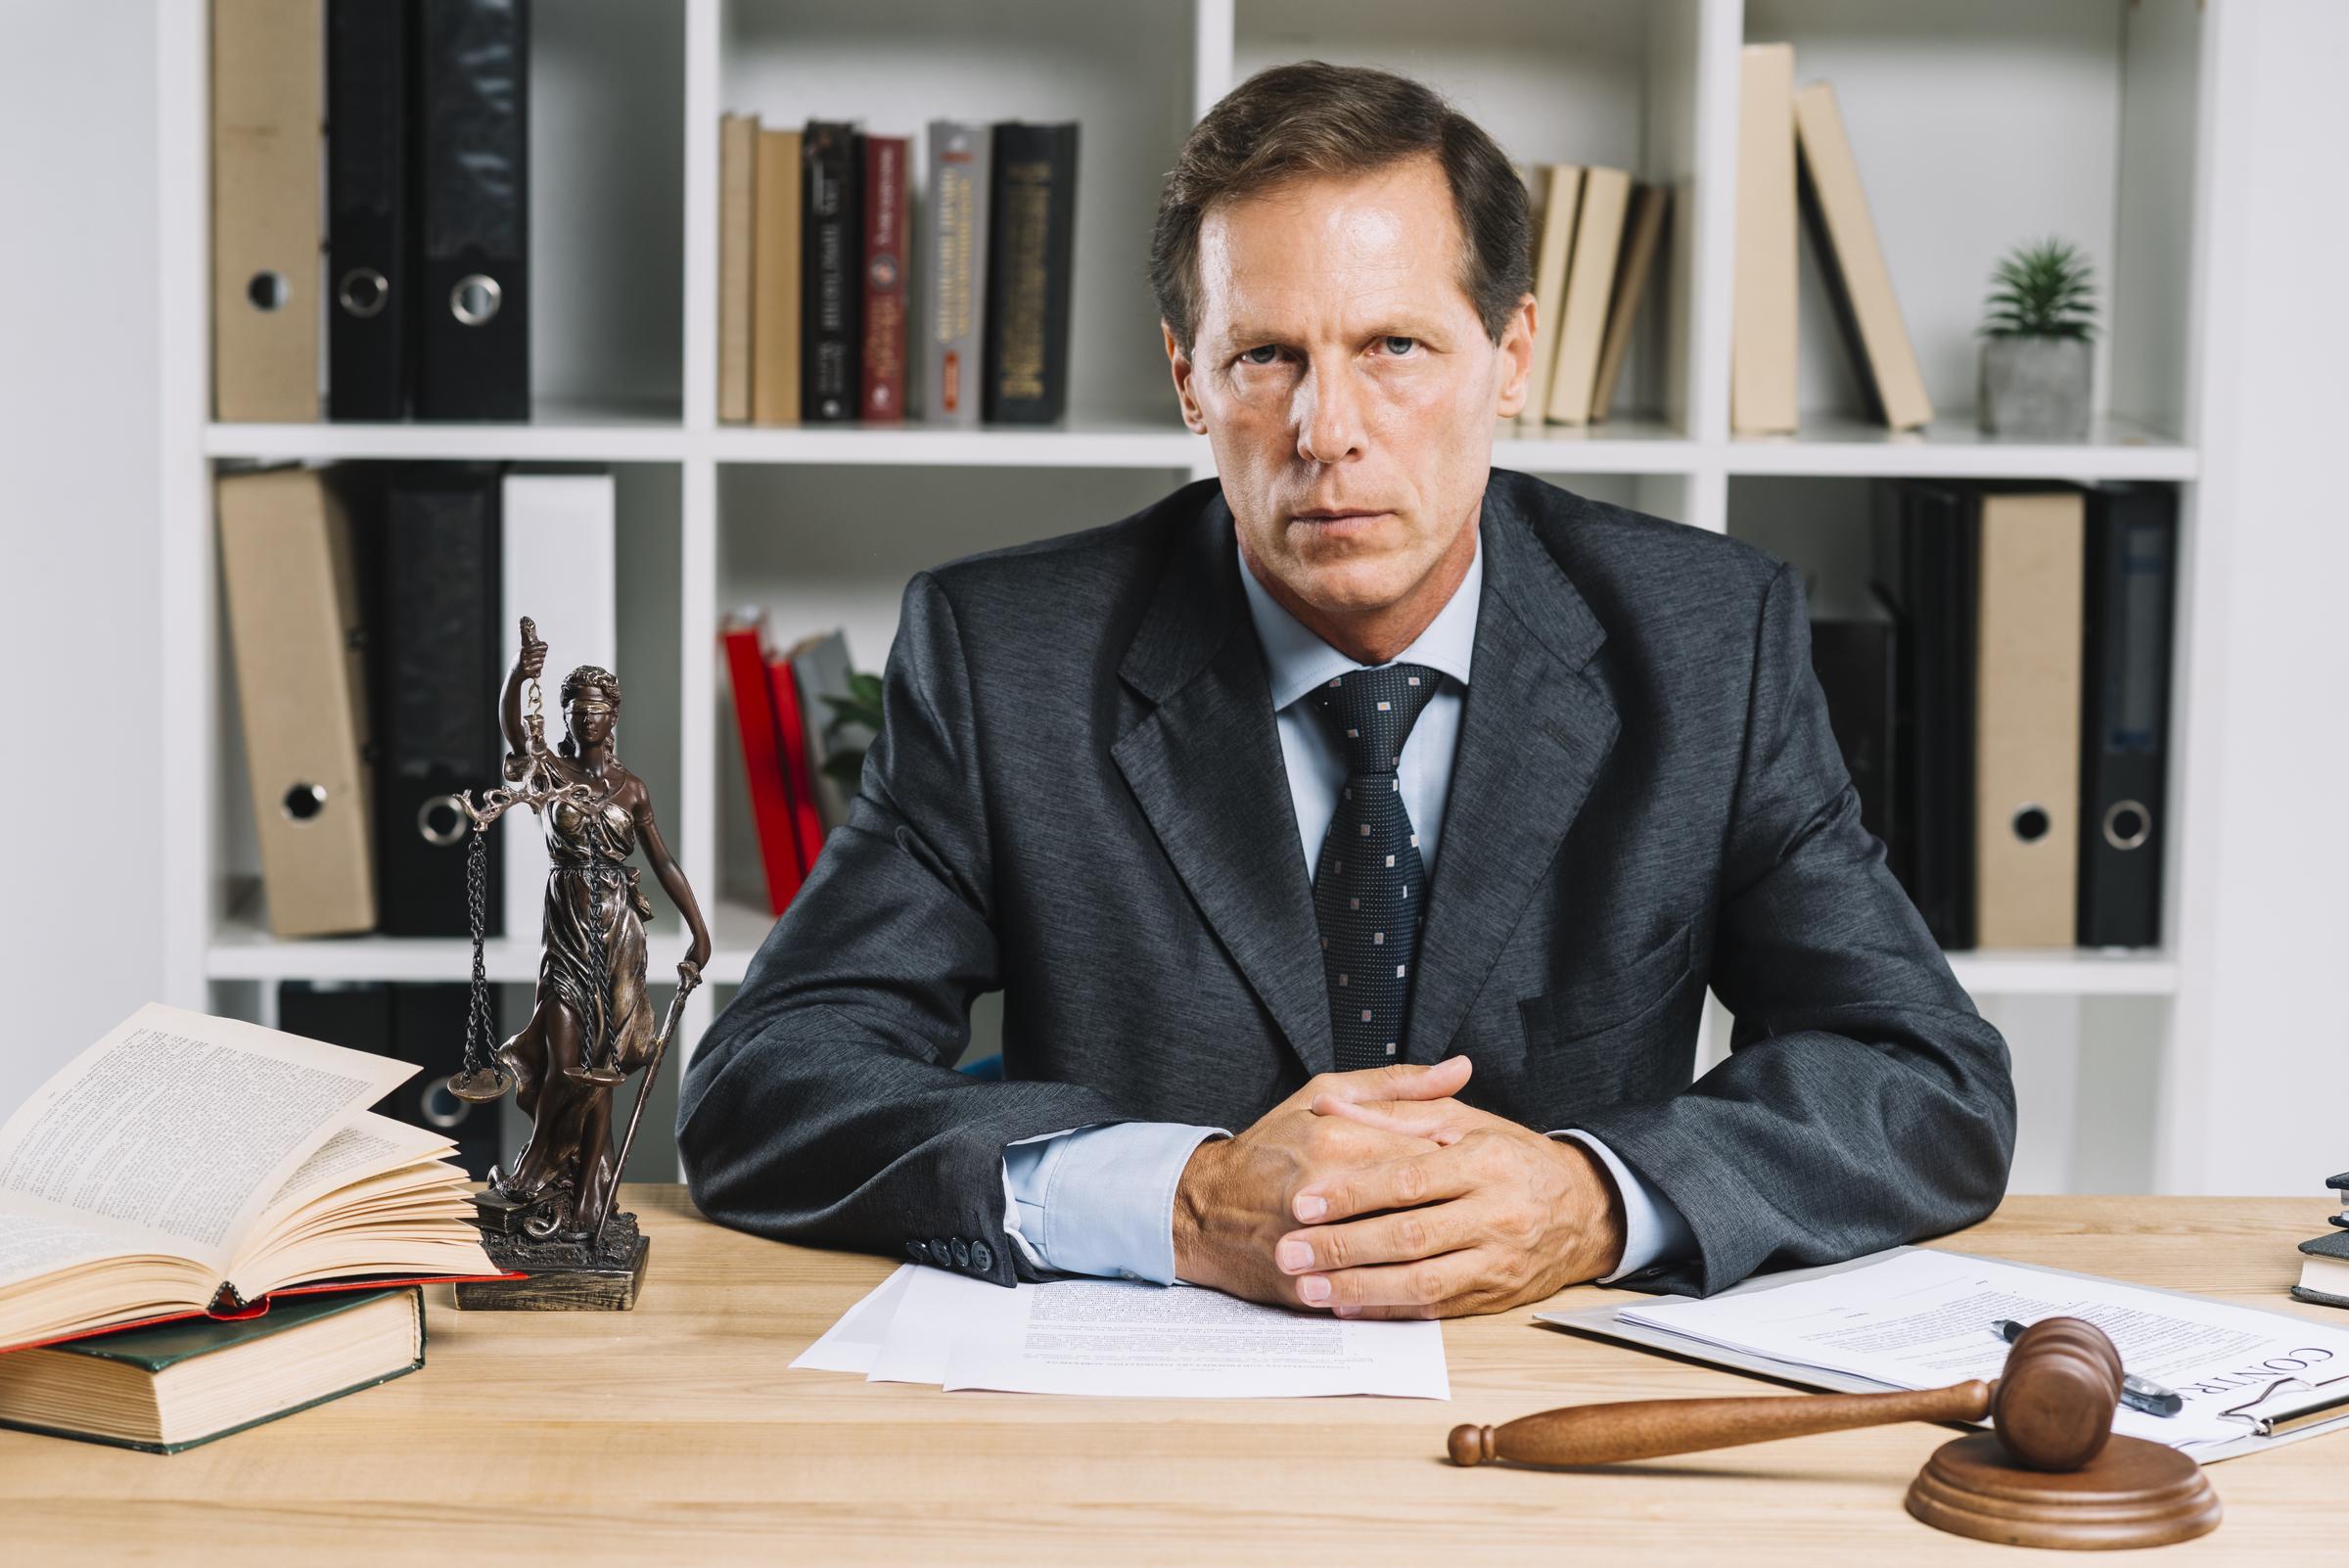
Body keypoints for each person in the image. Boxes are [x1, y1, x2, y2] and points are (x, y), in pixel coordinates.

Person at [678, 62, 2014, 1316]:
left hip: (1544, 1396)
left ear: (1511, 353)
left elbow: (1928, 1080)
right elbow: (762, 1088)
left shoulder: (1708, 641)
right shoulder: (1005, 654)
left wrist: (1598, 1197)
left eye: (1395, 347)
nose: (1329, 430)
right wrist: (1181, 1200)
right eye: (1267, 357)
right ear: (1188, 381)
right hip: (1136, 1417)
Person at [497, 626, 710, 1238]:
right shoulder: (552, 772)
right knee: (568, 1064)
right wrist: (521, 673)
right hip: (565, 925)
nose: (587, 718)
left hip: (618, 933)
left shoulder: (632, 788)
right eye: (577, 710)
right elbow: (516, 732)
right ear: (565, 715)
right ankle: (542, 1156)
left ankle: (591, 1188)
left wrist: (698, 930)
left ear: (612, 716)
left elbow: (664, 862)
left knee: (605, 1062)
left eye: (598, 710)